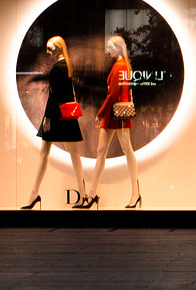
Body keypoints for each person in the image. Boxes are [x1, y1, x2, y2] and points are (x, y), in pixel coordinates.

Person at [20, 36, 89, 210]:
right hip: (66, 115)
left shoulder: (59, 68)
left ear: (59, 48)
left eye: (51, 48)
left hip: (57, 116)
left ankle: (34, 195)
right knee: (72, 154)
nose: (48, 52)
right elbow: (66, 94)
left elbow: (54, 96)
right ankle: (83, 195)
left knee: (47, 153)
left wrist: (48, 118)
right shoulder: (67, 67)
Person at [84, 34, 142, 209]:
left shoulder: (119, 66)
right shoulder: (123, 65)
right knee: (104, 152)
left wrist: (100, 113)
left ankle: (135, 193)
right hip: (116, 113)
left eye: (111, 47)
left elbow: (113, 93)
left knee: (123, 151)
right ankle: (92, 194)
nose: (108, 50)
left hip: (115, 113)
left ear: (118, 48)